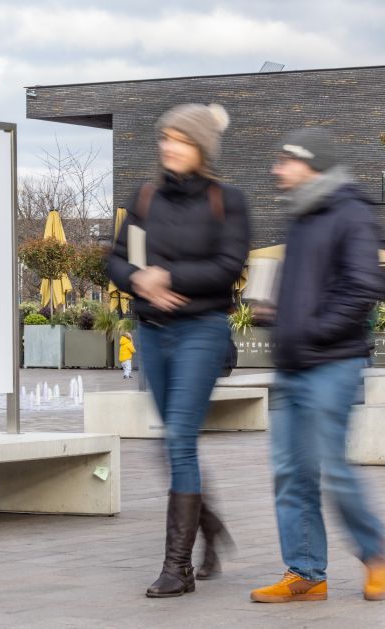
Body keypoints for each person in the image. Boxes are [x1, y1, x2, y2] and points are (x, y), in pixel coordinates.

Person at [107, 103, 250, 598]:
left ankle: (177, 568)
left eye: (181, 139)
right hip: (152, 331)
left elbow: (230, 265)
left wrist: (171, 277)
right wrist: (138, 278)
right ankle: (210, 531)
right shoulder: (145, 197)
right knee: (171, 441)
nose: (169, 146)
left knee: (180, 438)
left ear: (202, 148)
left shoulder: (227, 201)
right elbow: (116, 259)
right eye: (165, 137)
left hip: (202, 331)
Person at [250, 129, 385, 603]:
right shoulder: (301, 216)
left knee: (332, 467)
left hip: (333, 363)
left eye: (284, 161)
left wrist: (309, 329)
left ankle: (378, 555)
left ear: (312, 164)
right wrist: (277, 315)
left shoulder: (351, 212)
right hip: (292, 365)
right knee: (291, 471)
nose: (276, 169)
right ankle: (306, 572)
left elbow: (362, 287)